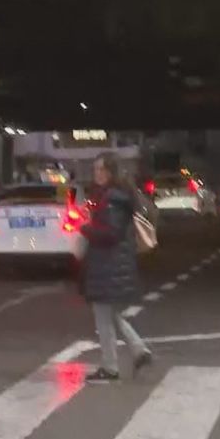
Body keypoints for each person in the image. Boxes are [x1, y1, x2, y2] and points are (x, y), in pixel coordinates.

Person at [79, 153, 153, 383]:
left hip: (108, 265)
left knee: (104, 318)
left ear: (110, 171)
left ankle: (110, 368)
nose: (97, 174)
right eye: (95, 170)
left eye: (100, 169)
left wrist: (86, 228)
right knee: (111, 314)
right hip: (112, 264)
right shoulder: (115, 196)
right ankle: (139, 350)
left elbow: (111, 233)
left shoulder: (111, 199)